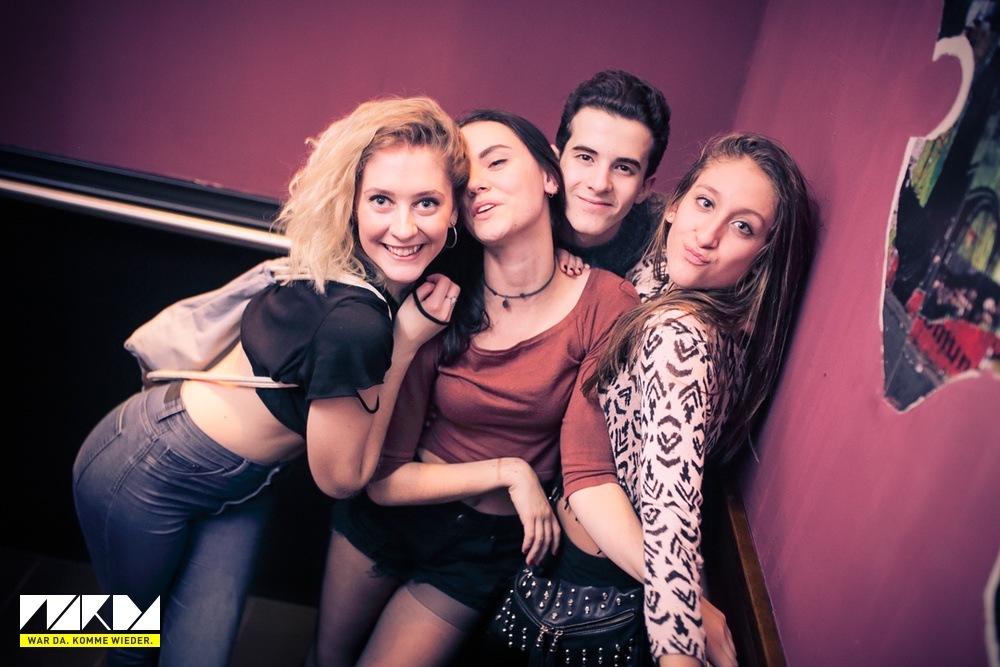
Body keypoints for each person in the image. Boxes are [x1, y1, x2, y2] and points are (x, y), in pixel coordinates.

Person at [71, 96, 469, 667]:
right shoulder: (357, 322)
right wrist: (406, 342)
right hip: (151, 464)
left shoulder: (359, 266)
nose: (404, 227)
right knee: (125, 637)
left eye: (426, 202)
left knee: (194, 656)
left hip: (240, 484)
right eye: (381, 200)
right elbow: (341, 479)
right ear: (352, 203)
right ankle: (26, 627)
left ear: (454, 210)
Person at [310, 109, 640, 667]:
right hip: (391, 517)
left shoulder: (607, 302)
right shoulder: (439, 295)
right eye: (463, 179)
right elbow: (382, 479)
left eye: (497, 162)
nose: (478, 184)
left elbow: (588, 467)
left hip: (482, 549)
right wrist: (509, 471)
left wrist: (676, 596)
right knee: (325, 660)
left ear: (550, 175)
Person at [559, 132, 818, 665]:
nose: (708, 234)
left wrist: (683, 631)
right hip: (576, 568)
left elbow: (671, 507)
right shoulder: (667, 277)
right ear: (675, 205)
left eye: (743, 227)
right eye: (705, 203)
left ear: (762, 255)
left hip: (593, 597)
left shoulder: (681, 335)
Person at [554, 69, 671, 278]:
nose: (599, 185)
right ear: (554, 162)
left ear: (644, 188)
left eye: (623, 168)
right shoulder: (516, 210)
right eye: (585, 157)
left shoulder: (671, 237)